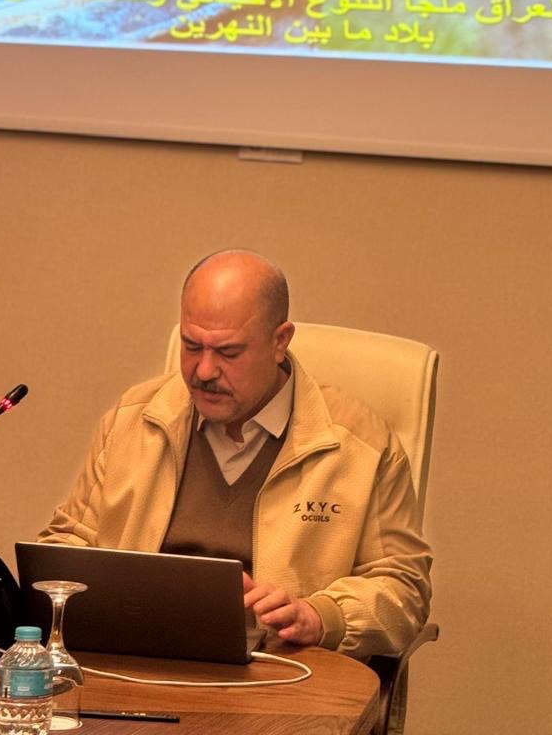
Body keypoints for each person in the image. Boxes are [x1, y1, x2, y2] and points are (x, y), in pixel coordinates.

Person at [39, 249, 432, 658]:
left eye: (228, 353)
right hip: (136, 662)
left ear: (280, 342)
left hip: (282, 673)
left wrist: (321, 617)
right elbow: (66, 547)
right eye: (192, 346)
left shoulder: (362, 446)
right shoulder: (133, 421)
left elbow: (404, 591)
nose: (204, 371)